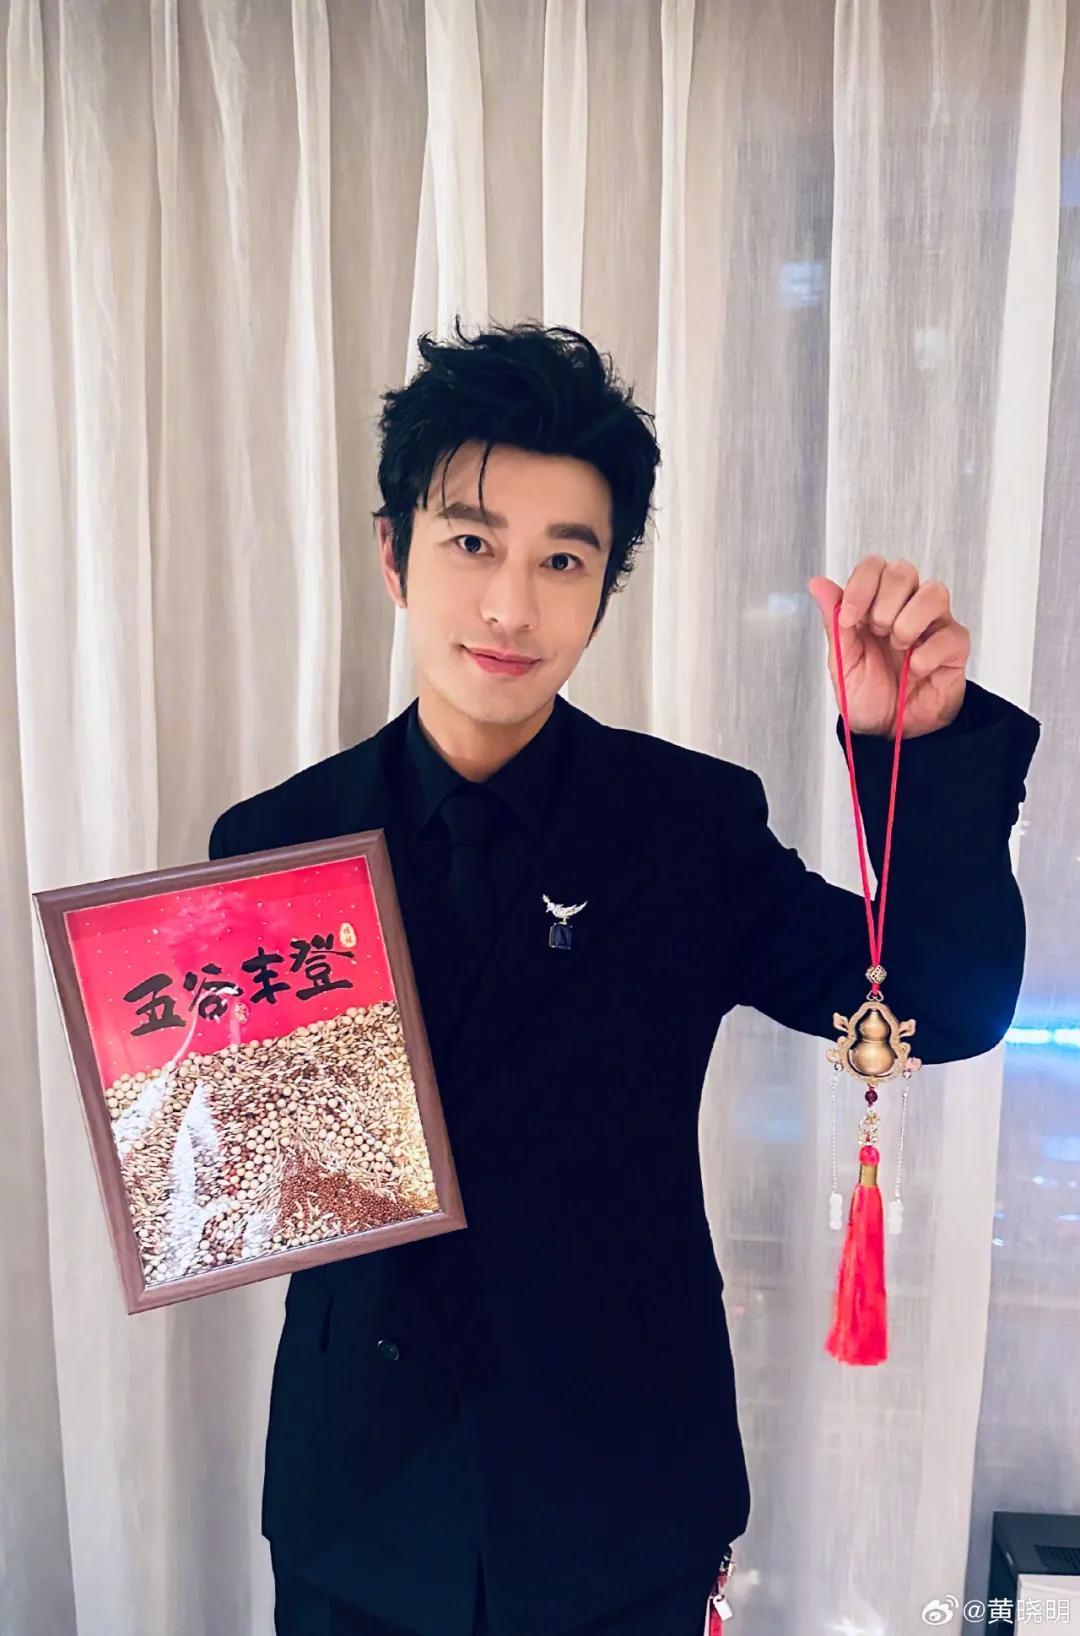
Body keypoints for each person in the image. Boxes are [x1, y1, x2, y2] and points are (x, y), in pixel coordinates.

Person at [208, 318, 1041, 1636]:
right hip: (361, 1487)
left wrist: (913, 753)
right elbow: (241, 1165)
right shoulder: (272, 846)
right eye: (471, 544)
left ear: (603, 588)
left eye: (563, 559)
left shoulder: (684, 826)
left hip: (624, 1486)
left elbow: (940, 1003)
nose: (510, 606)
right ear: (393, 553)